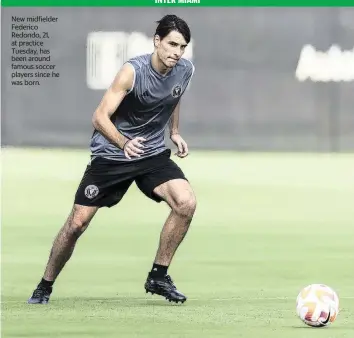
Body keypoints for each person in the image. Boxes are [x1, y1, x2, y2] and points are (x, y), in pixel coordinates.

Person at [28, 14, 196, 305]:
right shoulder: (133, 71)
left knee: (186, 203)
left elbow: (174, 95)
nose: (176, 52)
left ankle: (158, 275)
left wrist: (175, 131)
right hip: (112, 153)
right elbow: (99, 117)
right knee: (77, 224)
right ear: (157, 41)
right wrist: (123, 142)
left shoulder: (184, 70)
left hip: (151, 153)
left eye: (182, 47)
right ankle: (45, 285)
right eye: (171, 44)